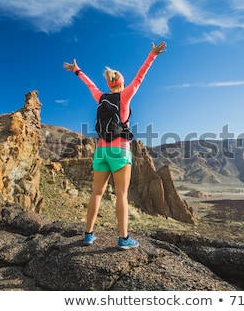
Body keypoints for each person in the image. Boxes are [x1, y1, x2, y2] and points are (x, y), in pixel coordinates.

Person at [63, 41, 167, 249]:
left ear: (109, 84)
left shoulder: (101, 97)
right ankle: (123, 238)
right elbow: (140, 76)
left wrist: (77, 70)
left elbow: (90, 85)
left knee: (96, 193)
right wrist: (152, 55)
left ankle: (88, 234)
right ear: (121, 83)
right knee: (121, 194)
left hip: (101, 150)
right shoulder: (125, 96)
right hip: (120, 151)